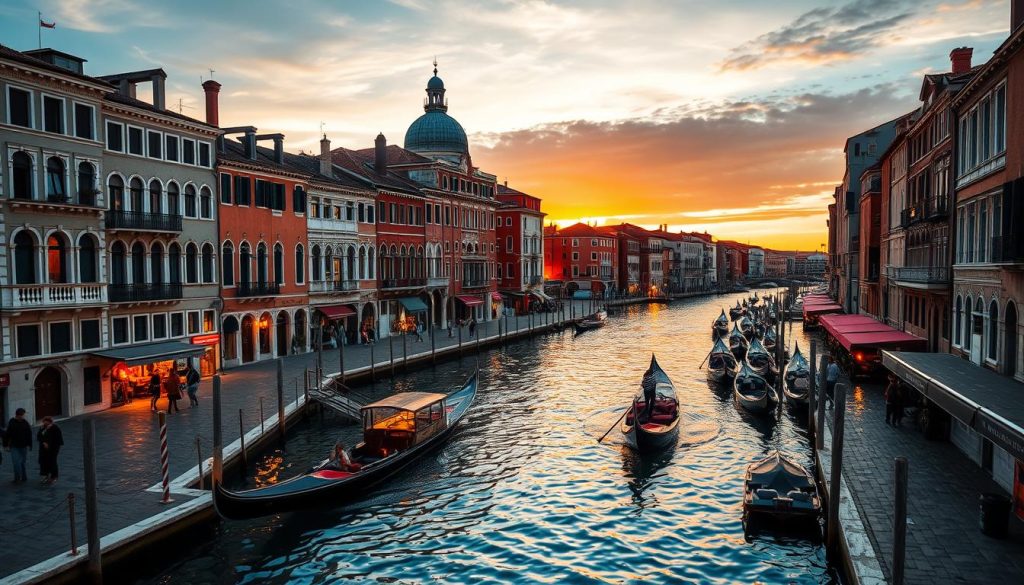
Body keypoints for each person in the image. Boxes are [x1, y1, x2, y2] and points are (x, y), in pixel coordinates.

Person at [3, 408, 32, 483]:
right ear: (18, 415)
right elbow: (7, 434)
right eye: (23, 415)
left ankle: (24, 477)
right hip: (14, 446)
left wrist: (30, 445)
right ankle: (17, 478)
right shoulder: (12, 422)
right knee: (16, 462)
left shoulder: (25, 422)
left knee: (22, 462)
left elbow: (29, 434)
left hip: (24, 446)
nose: (24, 417)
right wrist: (5, 445)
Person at [36, 416, 63, 484]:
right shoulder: (42, 427)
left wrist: (49, 444)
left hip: (53, 448)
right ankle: (45, 475)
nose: (44, 423)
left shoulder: (55, 428)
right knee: (43, 461)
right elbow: (39, 437)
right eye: (44, 421)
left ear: (49, 422)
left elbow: (58, 439)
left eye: (46, 421)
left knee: (52, 461)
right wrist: (44, 442)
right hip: (43, 449)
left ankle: (54, 476)